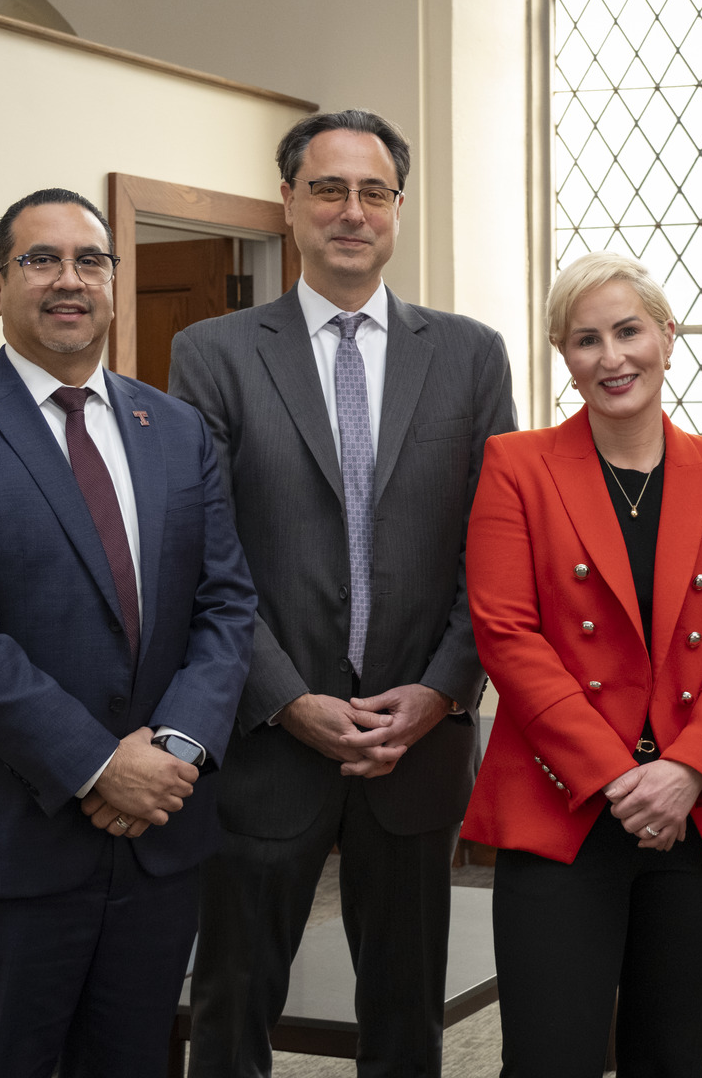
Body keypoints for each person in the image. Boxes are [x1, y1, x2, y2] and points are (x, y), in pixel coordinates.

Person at [0, 188, 257, 1077]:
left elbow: (226, 605)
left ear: (115, 284)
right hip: (10, 845)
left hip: (159, 835)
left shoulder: (179, 430)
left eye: (89, 260)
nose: (68, 280)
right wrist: (99, 764)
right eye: (40, 260)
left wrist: (174, 752)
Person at [168, 109, 516, 1078]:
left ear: (398, 208)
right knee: (234, 1002)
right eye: (328, 189)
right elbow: (206, 550)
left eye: (373, 192)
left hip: (417, 743)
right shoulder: (216, 351)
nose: (351, 211)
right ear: (289, 204)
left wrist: (443, 689)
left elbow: (495, 546)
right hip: (267, 740)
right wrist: (285, 697)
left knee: (407, 1013)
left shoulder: (471, 355)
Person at [460, 252, 702, 1077]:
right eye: (586, 339)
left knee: (671, 1054)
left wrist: (684, 772)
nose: (613, 357)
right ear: (563, 357)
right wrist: (615, 777)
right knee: (548, 1056)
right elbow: (507, 636)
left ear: (668, 338)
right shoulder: (517, 465)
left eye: (629, 330)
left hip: (699, 807)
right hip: (562, 802)